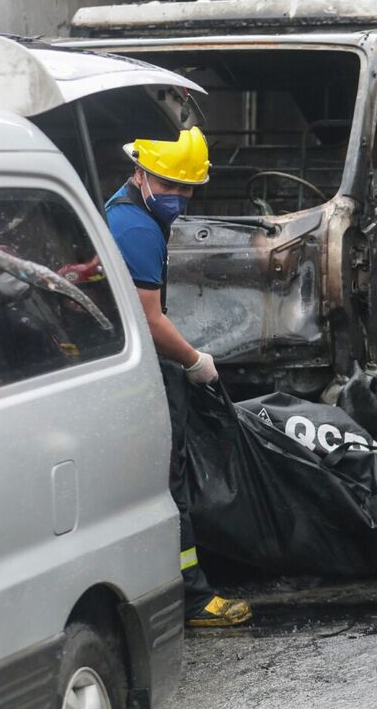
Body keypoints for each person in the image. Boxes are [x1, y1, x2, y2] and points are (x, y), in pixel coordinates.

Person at [106, 127, 252, 628]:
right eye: (170, 186)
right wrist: (193, 360)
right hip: (146, 368)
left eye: (188, 188)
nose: (180, 198)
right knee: (171, 482)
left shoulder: (126, 211)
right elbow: (149, 318)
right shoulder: (138, 229)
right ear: (142, 174)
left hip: (132, 364)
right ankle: (191, 599)